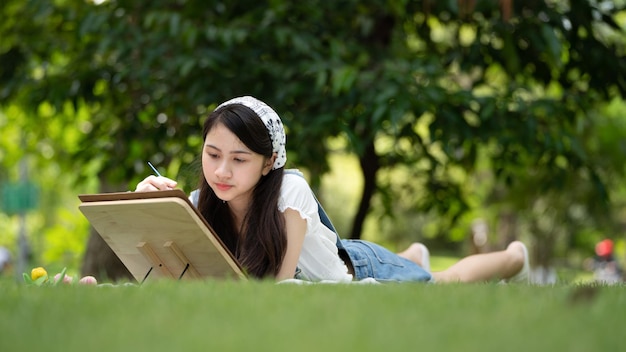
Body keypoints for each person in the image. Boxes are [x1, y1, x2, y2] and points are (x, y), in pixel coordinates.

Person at [135, 96, 530, 283]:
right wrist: (151, 207)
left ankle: (514, 258)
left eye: (239, 160)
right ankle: (412, 255)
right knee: (407, 264)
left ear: (269, 161)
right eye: (213, 154)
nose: (221, 171)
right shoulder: (201, 203)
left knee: (444, 285)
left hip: (357, 271)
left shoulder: (289, 191)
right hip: (340, 253)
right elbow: (173, 276)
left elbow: (282, 287)